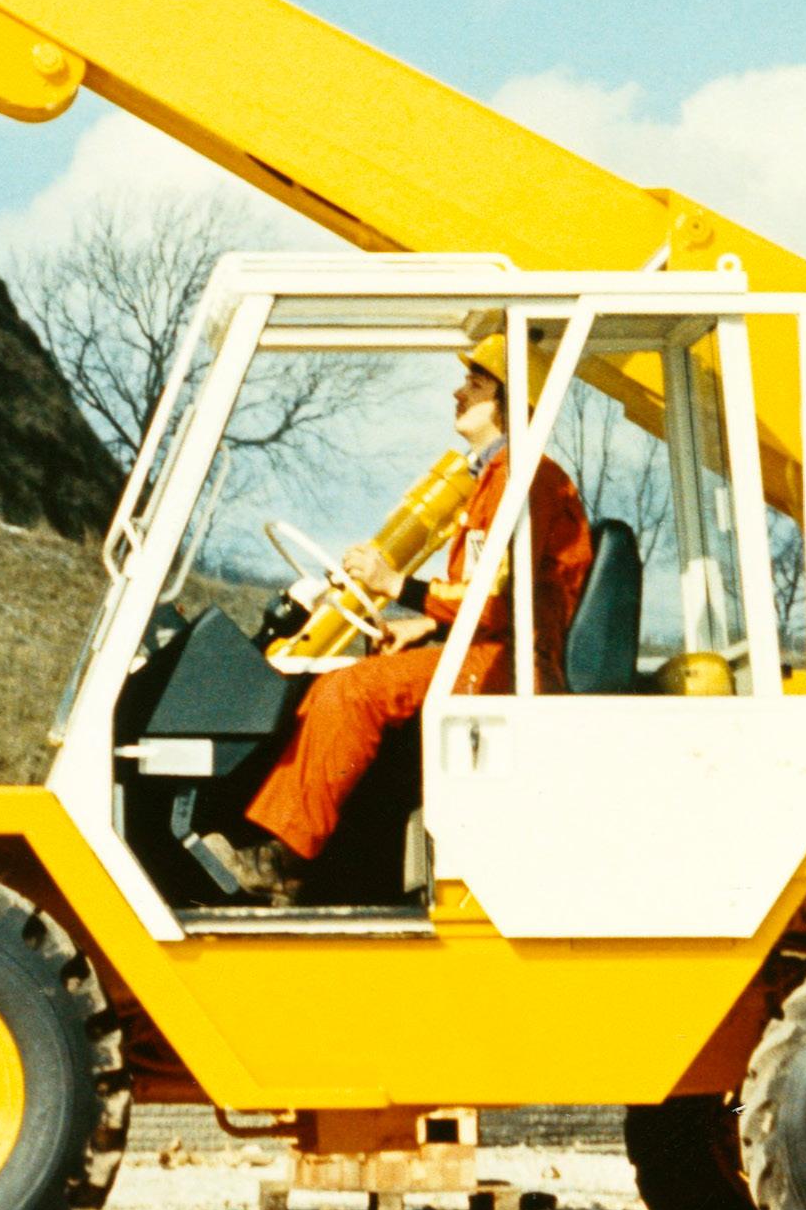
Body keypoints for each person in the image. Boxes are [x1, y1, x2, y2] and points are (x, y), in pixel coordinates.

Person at [197, 340, 593, 903]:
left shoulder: (520, 480)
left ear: (509, 402)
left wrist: (396, 585)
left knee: (351, 691)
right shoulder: (500, 478)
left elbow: (498, 602)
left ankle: (284, 862)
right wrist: (425, 627)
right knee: (331, 686)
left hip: (516, 665)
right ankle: (321, 860)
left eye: (476, 384)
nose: (459, 392)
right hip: (497, 651)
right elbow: (501, 597)